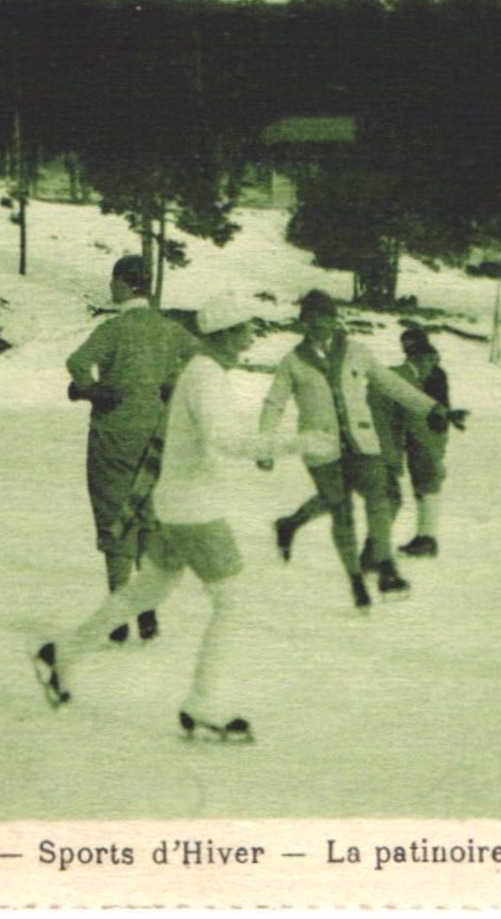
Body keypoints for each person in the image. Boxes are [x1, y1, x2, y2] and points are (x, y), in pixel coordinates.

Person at [35, 297, 322, 741]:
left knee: (145, 591)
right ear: (226, 332)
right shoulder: (206, 376)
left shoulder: (203, 373)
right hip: (195, 510)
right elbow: (224, 439)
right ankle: (203, 703)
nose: (251, 336)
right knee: (234, 604)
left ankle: (62, 655)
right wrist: (293, 444)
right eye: (246, 328)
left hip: (176, 504)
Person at [261, 291, 461, 610]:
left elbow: (390, 384)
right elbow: (275, 403)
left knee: (380, 496)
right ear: (303, 324)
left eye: (325, 317)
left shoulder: (356, 352)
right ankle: (337, 563)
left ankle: (385, 567)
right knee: (338, 506)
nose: (319, 325)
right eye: (311, 319)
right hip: (321, 448)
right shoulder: (293, 362)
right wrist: (266, 444)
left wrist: (432, 408)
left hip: (362, 443)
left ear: (335, 319)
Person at [66, 255, 198, 643]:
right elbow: (196, 357)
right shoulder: (168, 329)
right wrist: (169, 385)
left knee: (113, 515)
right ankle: (148, 606)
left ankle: (118, 612)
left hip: (114, 433)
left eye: (114, 282)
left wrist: (91, 391)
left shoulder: (115, 329)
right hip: (157, 433)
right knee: (147, 517)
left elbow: (77, 363)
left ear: (123, 284)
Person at [369, 328, 453, 559]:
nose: (404, 348)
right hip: (421, 430)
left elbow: (427, 406)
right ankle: (425, 536)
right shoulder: (425, 369)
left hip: (427, 430)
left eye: (408, 344)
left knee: (427, 482)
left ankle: (427, 537)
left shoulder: (430, 371)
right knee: (424, 483)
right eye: (403, 344)